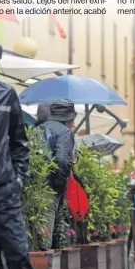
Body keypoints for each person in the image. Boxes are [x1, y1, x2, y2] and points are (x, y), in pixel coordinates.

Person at [0, 34, 47, 269]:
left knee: (18, 254)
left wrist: (18, 179)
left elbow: (19, 143)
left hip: (2, 190)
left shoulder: (5, 95)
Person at [39, 99, 76, 249]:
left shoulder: (39, 128)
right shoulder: (65, 132)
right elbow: (62, 160)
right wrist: (59, 185)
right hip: (51, 188)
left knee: (35, 232)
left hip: (34, 187)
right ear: (69, 118)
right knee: (45, 238)